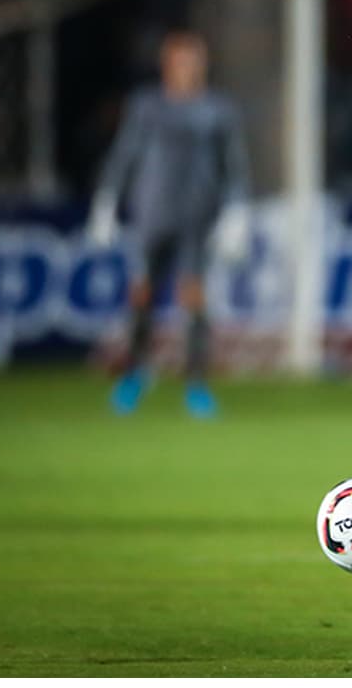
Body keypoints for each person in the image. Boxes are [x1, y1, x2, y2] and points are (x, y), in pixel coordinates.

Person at [87, 31, 251, 419]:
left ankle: (196, 384)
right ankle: (135, 373)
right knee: (142, 291)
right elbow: (125, 154)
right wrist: (106, 199)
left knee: (193, 295)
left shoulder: (217, 109)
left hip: (196, 216)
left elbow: (234, 164)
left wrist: (237, 210)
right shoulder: (146, 107)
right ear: (167, 64)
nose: (188, 69)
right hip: (153, 213)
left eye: (194, 61)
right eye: (181, 61)